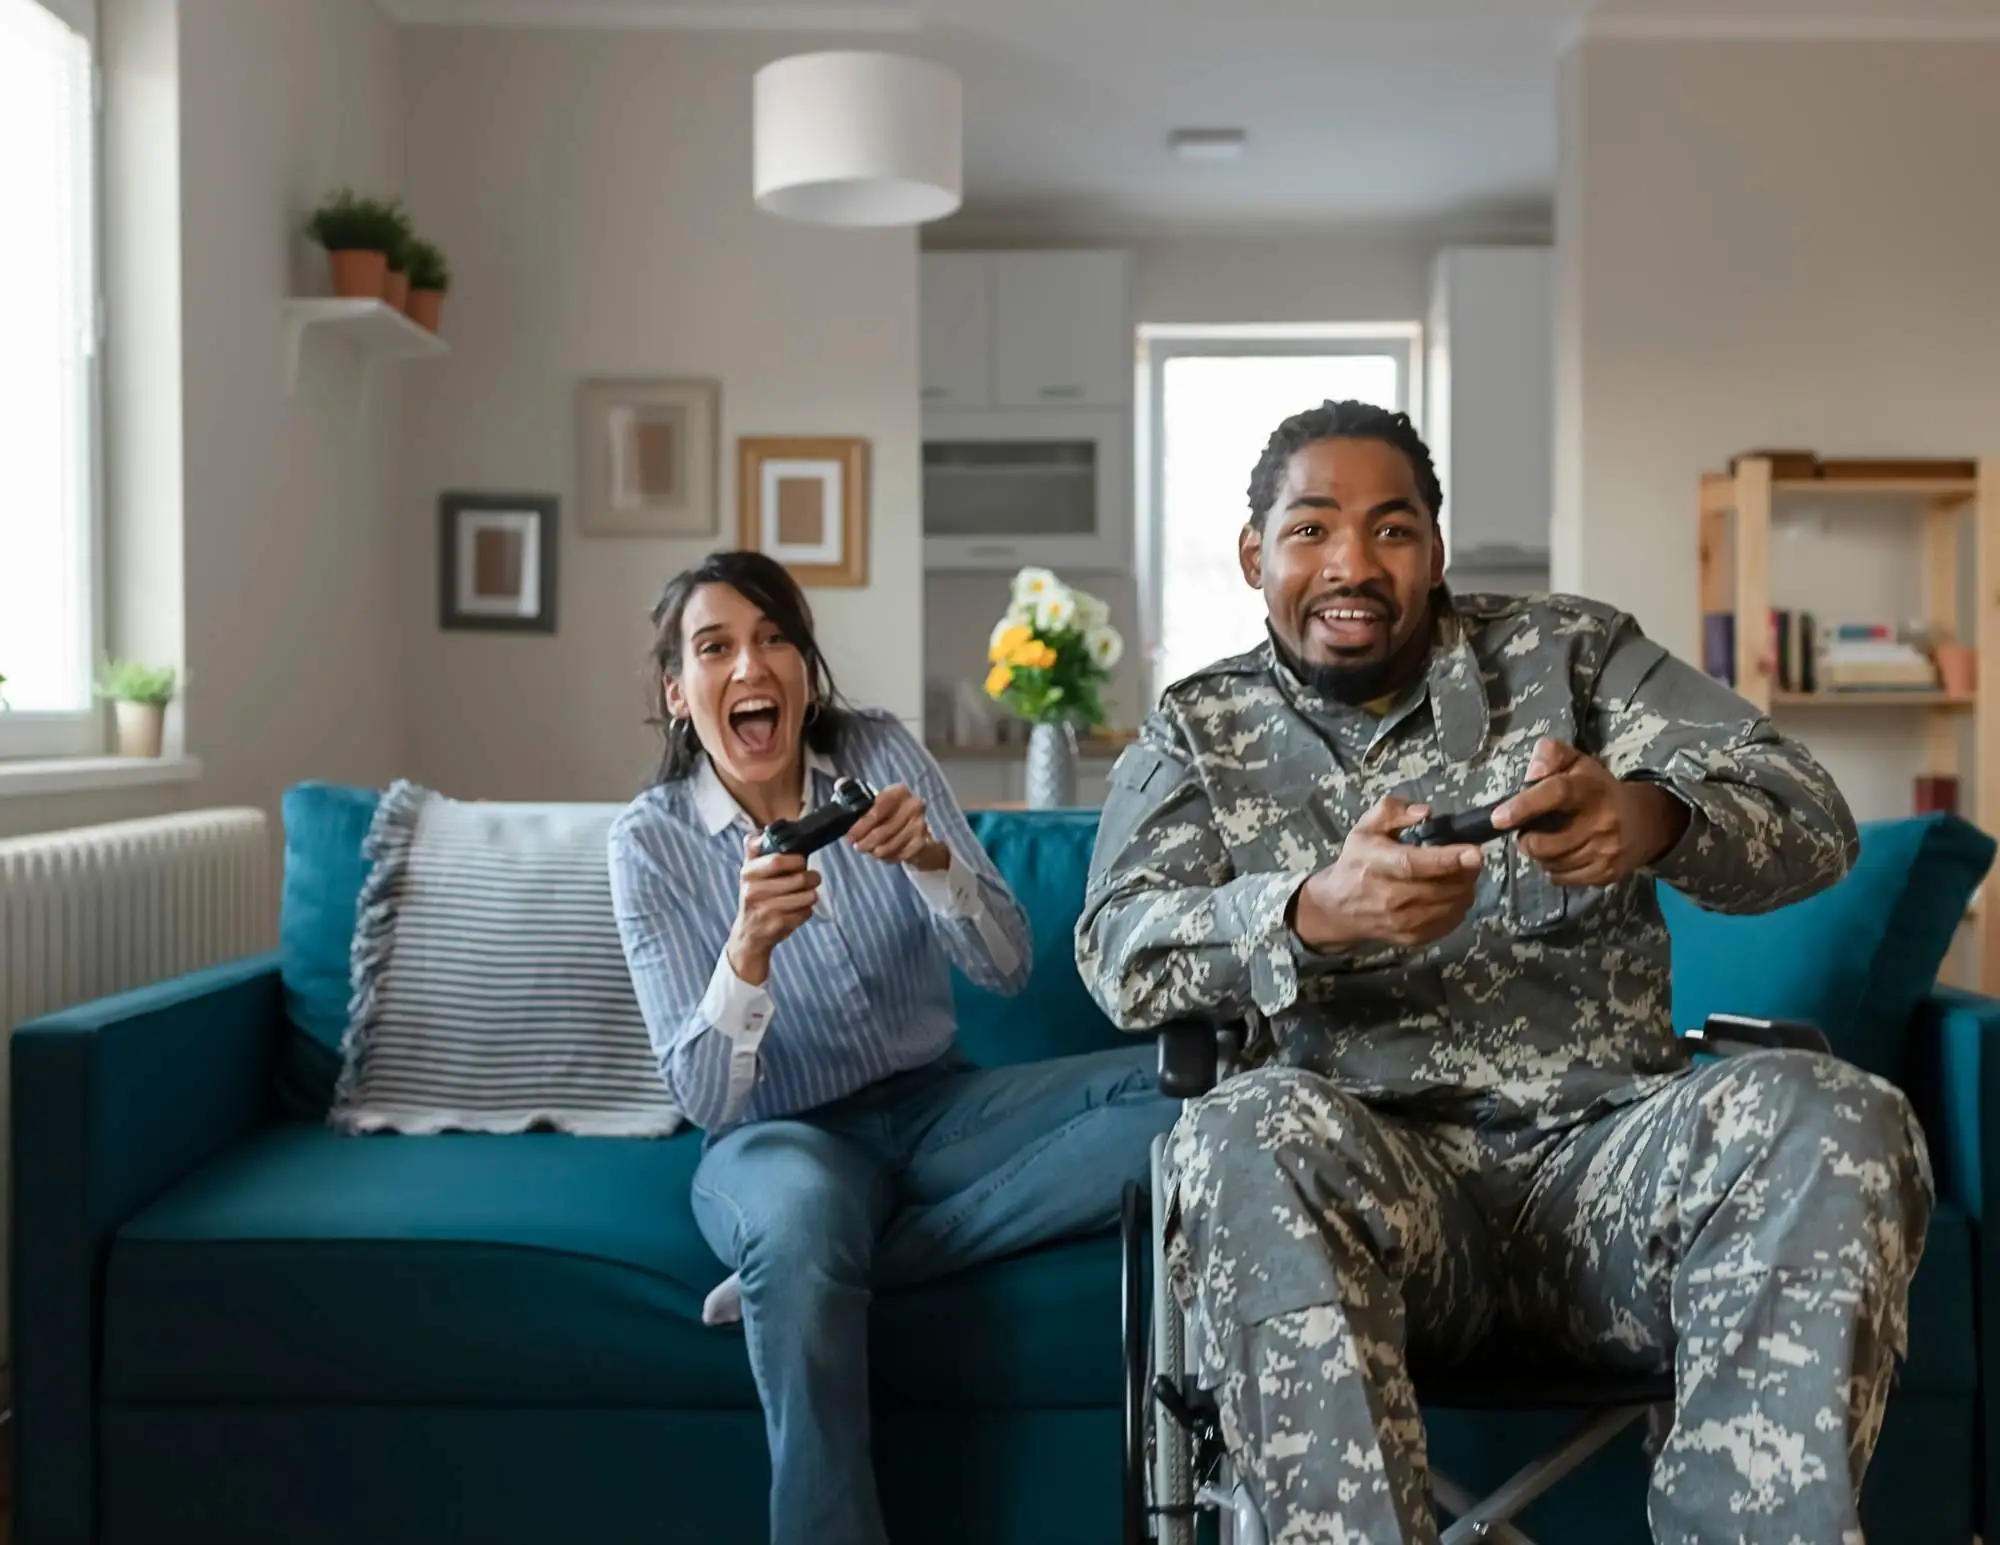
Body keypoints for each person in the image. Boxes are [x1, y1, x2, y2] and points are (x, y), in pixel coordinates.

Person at [1075, 400, 1933, 1545]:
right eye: (1310, 529)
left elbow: (1811, 819)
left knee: (1834, 1114)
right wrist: (1311, 912)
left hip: (1609, 1181)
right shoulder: (1196, 729)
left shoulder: (1574, 658)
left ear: (1433, 550)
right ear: (1252, 556)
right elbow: (1118, 952)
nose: (1350, 565)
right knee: (1235, 1130)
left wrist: (1652, 817)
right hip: (1369, 1206)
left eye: (1389, 530)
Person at [609, 550, 1179, 1545]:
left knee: (1185, 1096)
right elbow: (702, 1097)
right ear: (676, 692)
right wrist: (746, 954)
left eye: (774, 638)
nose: (750, 665)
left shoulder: (876, 752)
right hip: (773, 1139)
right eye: (715, 647)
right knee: (799, 1210)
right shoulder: (647, 842)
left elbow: (1008, 963)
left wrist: (930, 861)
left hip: (935, 1110)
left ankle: (807, 1269)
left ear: (804, 666)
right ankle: (801, 1252)